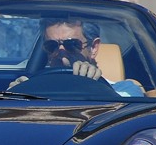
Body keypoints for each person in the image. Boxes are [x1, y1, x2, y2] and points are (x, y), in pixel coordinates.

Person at [11, 18, 146, 97]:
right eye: (52, 46)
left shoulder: (124, 91)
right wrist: (14, 96)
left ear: (93, 48)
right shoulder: (32, 92)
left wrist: (97, 88)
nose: (61, 53)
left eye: (72, 44)